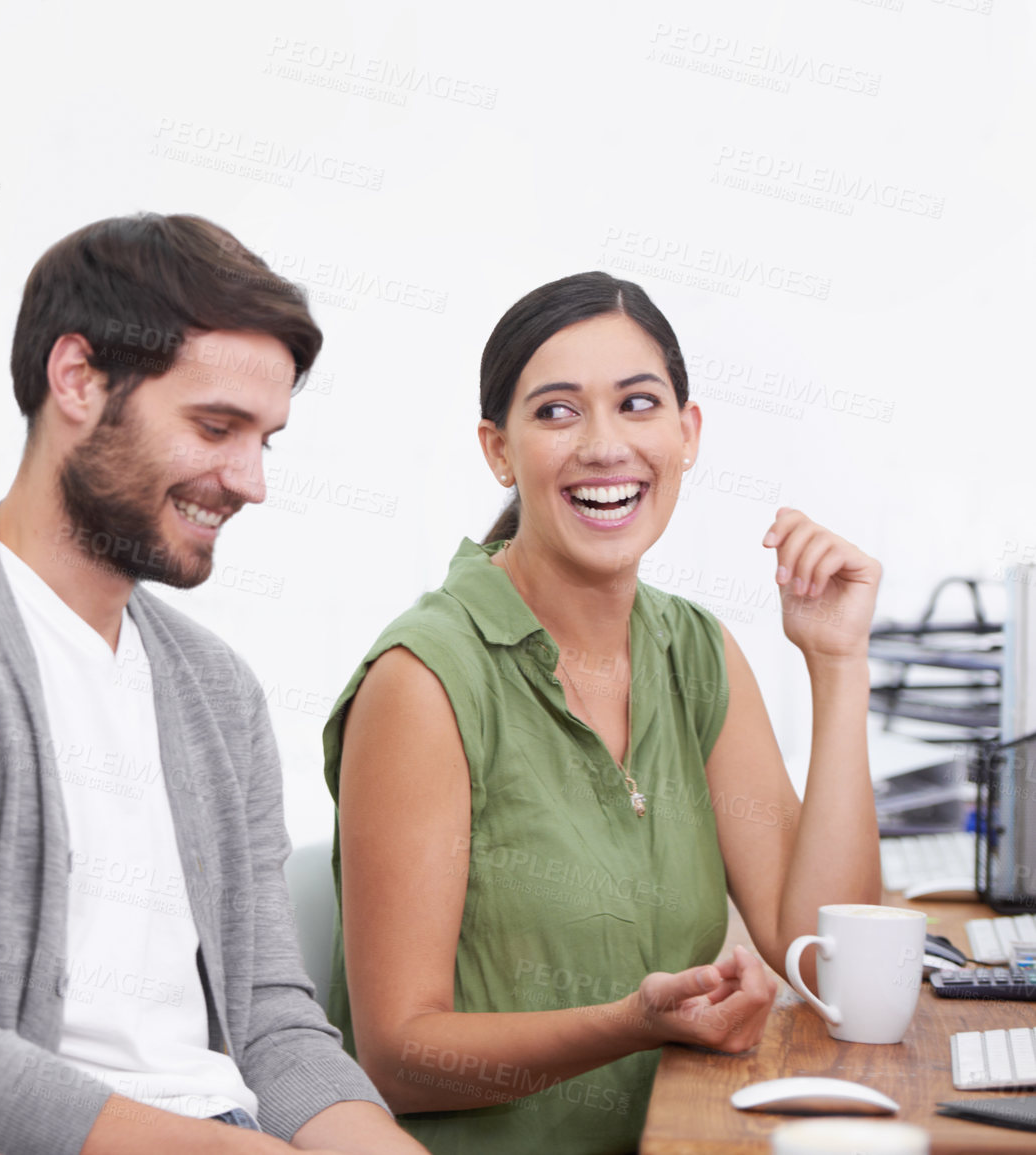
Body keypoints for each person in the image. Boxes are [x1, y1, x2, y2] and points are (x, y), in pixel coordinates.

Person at [0, 213, 424, 1155]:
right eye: (214, 426)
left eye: (264, 441)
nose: (248, 480)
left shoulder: (215, 691)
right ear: (76, 379)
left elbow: (273, 1021)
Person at [321, 271, 883, 1155]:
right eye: (554, 412)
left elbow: (833, 960)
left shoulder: (693, 652)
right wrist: (632, 1022)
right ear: (497, 449)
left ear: (686, 433)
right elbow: (396, 1053)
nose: (603, 444)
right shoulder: (424, 679)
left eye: (636, 403)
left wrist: (837, 662)